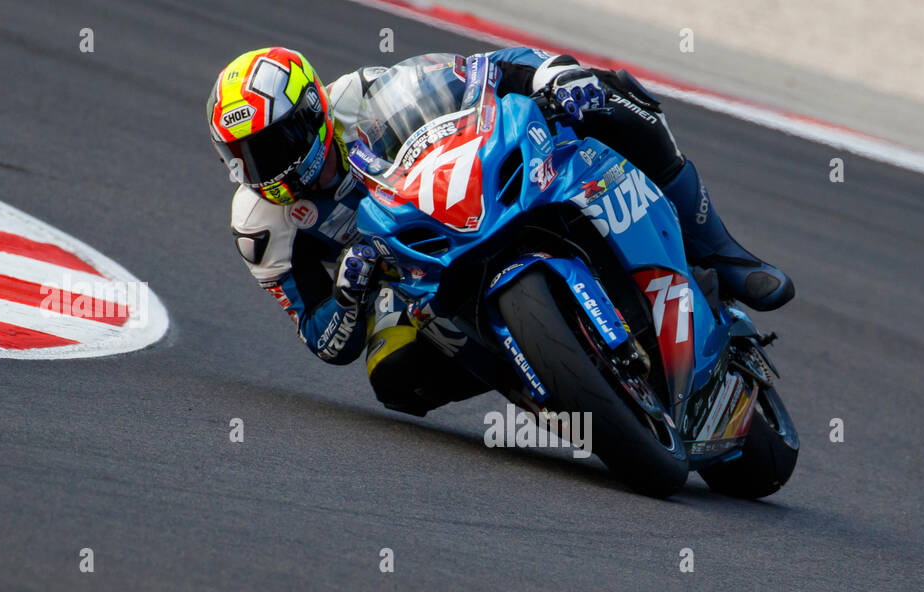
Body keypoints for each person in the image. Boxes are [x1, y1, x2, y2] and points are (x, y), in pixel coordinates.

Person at [207, 46, 794, 415]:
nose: (271, 168)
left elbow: (478, 72)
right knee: (393, 379)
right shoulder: (260, 228)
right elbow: (324, 342)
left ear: (313, 112)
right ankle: (545, 370)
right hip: (407, 276)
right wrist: (349, 294)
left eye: (275, 144)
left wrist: (551, 78)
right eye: (250, 159)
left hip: (462, 195)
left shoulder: (362, 97)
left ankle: (723, 251)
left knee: (611, 96)